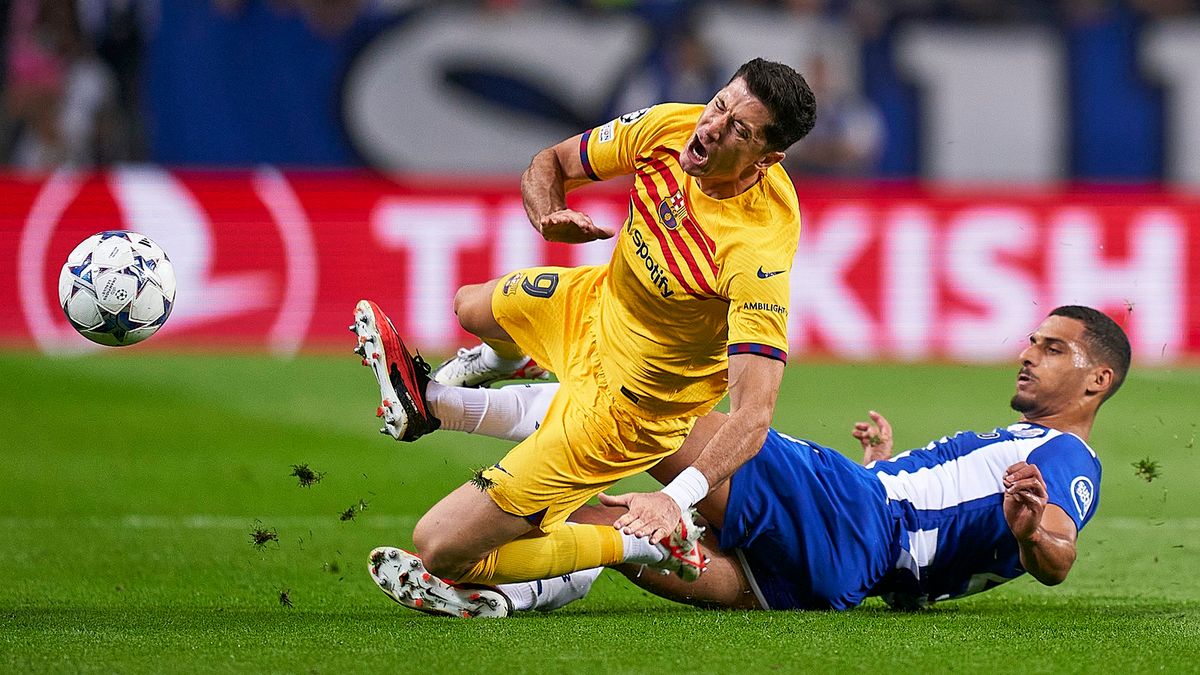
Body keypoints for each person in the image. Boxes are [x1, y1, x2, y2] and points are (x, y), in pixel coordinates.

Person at [352, 58, 817, 599]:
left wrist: (676, 497)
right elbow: (551, 161)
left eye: (739, 129)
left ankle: (636, 546)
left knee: (441, 548)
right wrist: (550, 212)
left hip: (629, 409)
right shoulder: (670, 127)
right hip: (594, 303)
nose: (712, 127)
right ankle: (506, 360)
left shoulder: (755, 253)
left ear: (767, 158)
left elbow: (754, 416)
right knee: (468, 308)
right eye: (719, 104)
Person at [365, 306, 1129, 616]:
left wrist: (1036, 534)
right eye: (1032, 341)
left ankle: (438, 404)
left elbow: (1058, 550)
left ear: (1098, 381)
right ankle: (504, 594)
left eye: (1052, 349)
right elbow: (944, 530)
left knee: (641, 412)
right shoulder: (1028, 452)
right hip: (836, 581)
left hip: (852, 519)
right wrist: (884, 468)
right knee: (610, 522)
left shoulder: (1063, 455)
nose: (1028, 356)